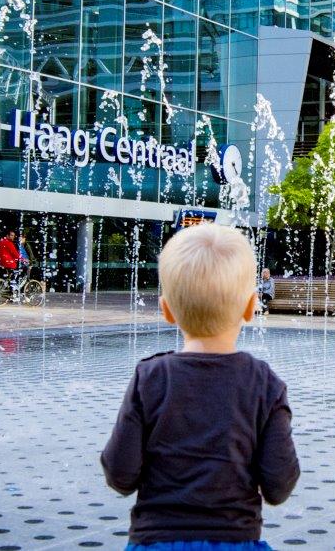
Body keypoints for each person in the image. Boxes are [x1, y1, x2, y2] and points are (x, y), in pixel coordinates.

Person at [101, 223, 300, 548]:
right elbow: (279, 484)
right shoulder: (265, 384)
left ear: (166, 310)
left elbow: (120, 475)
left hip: (157, 542)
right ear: (251, 307)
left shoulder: (149, 379)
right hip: (235, 541)